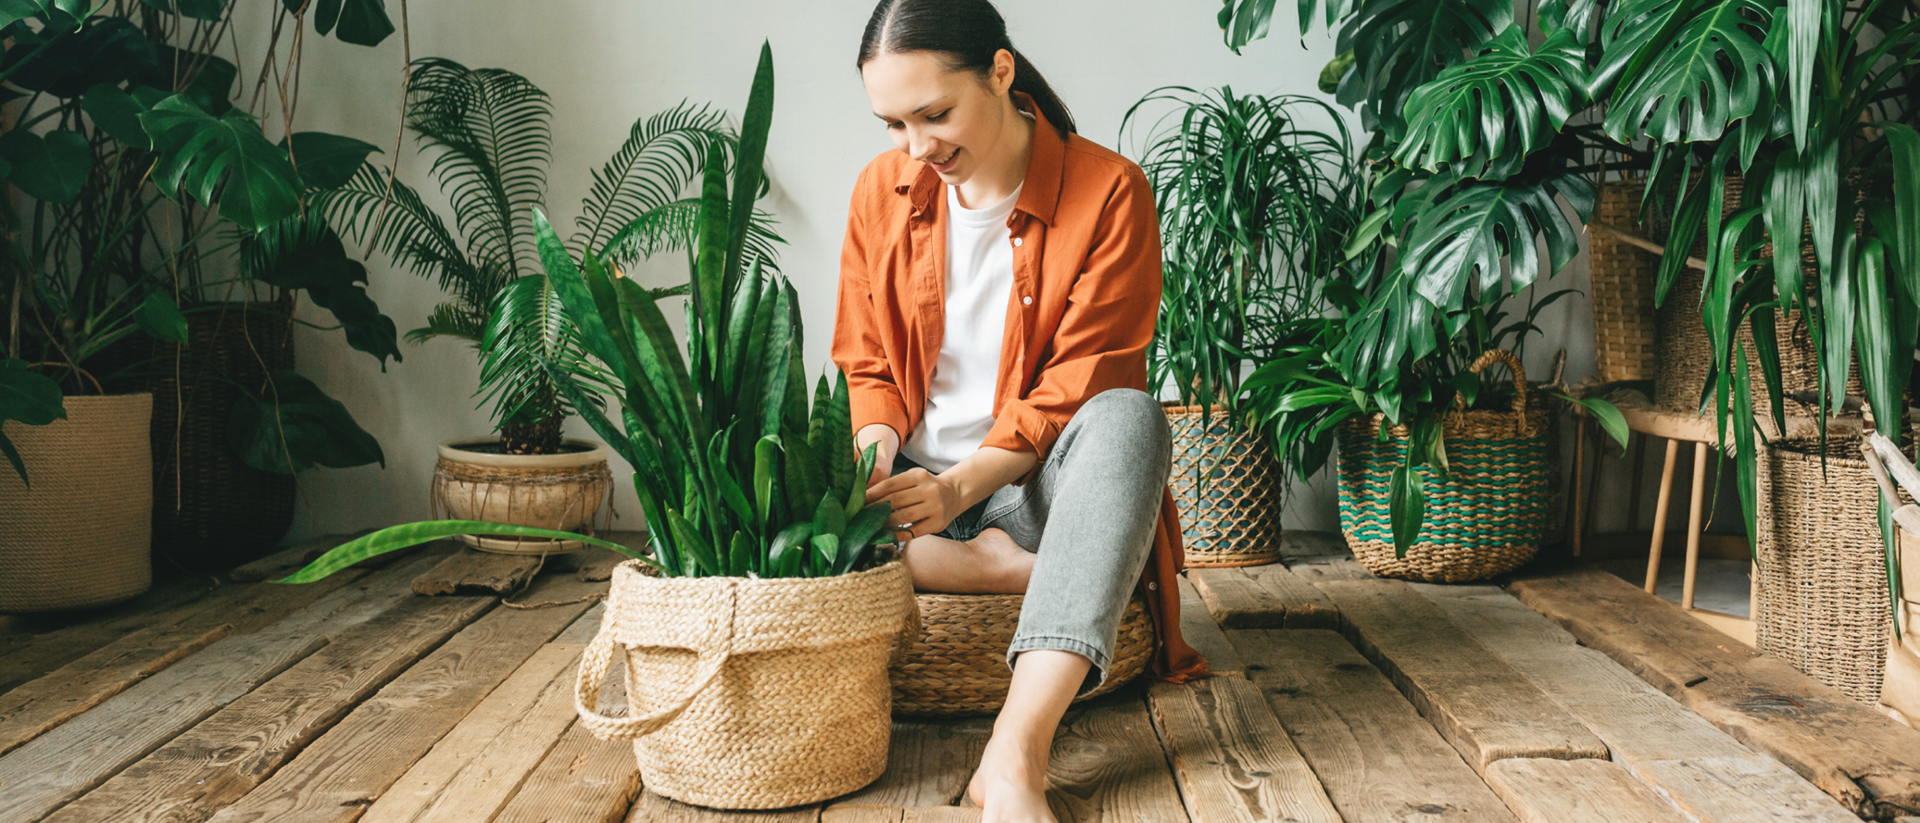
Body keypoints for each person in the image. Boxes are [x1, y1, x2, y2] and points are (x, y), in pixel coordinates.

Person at [832, 2, 1208, 821]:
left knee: (1131, 416)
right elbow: (866, 366)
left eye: (936, 114)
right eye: (894, 123)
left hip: (1029, 491)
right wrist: (873, 459)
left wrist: (958, 494)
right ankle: (995, 570)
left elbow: (1078, 385)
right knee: (775, 483)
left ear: (1000, 72)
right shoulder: (879, 190)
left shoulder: (1110, 192)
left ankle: (1016, 749)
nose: (917, 148)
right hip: (908, 494)